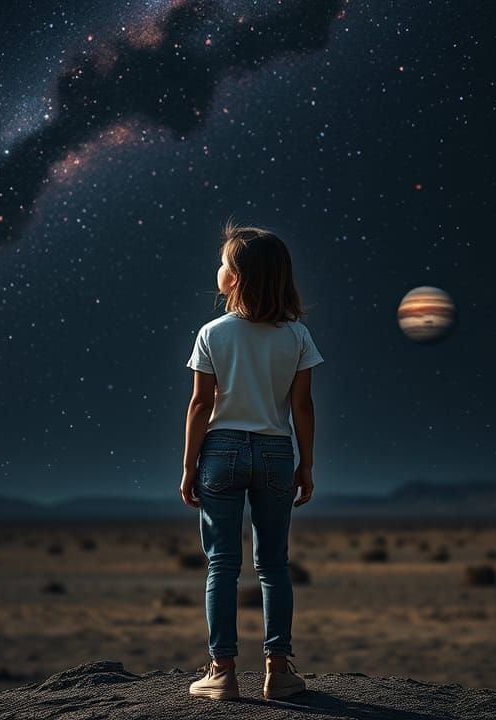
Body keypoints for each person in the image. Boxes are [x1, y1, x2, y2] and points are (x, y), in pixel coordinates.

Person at [180, 219, 324, 701]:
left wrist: (188, 465)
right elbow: (302, 407)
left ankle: (221, 672)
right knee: (273, 565)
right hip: (276, 452)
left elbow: (201, 404)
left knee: (222, 563)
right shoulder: (297, 336)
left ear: (236, 277)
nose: (217, 269)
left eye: (223, 263)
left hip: (220, 450)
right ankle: (278, 672)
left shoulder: (212, 332)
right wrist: (306, 464)